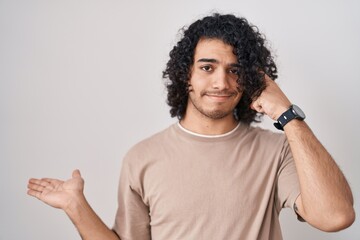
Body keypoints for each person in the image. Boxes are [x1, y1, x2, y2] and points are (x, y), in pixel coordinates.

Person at [27, 13, 355, 240]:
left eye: (235, 70)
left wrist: (287, 114)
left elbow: (335, 217)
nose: (221, 82)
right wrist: (75, 206)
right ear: (186, 74)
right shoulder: (142, 157)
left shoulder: (277, 150)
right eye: (207, 67)